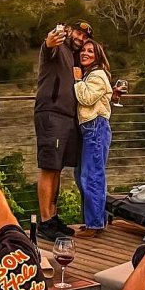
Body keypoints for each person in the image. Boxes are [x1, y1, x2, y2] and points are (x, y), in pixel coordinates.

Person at [35, 21, 91, 240]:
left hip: (67, 118)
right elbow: (48, 45)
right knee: (49, 167)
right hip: (52, 113)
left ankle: (53, 216)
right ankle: (45, 221)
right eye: (78, 32)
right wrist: (51, 39)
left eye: (85, 37)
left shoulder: (73, 56)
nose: (81, 37)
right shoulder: (57, 48)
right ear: (68, 31)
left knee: (57, 168)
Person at [73, 37, 113, 237]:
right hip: (90, 129)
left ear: (98, 56)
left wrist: (78, 80)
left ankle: (95, 224)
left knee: (92, 177)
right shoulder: (93, 75)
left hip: (95, 127)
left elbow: (86, 99)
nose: (85, 53)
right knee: (83, 175)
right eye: (83, 50)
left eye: (90, 50)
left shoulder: (97, 75)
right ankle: (93, 219)